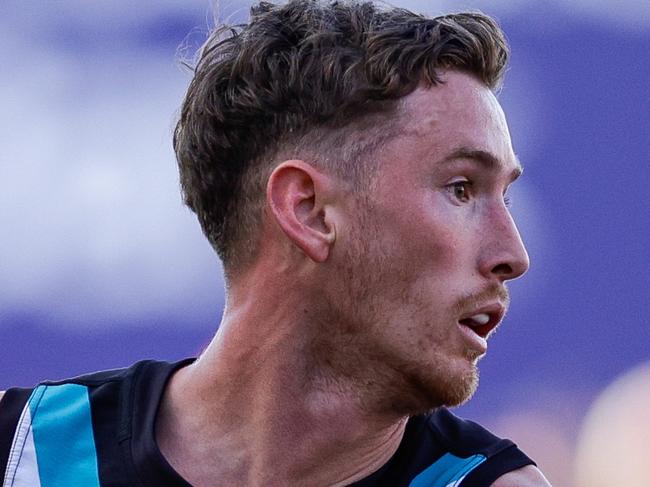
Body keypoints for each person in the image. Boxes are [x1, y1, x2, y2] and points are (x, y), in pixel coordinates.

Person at [0, 1, 552, 485]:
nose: (513, 255)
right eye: (461, 189)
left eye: (505, 195)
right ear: (307, 210)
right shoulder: (20, 452)